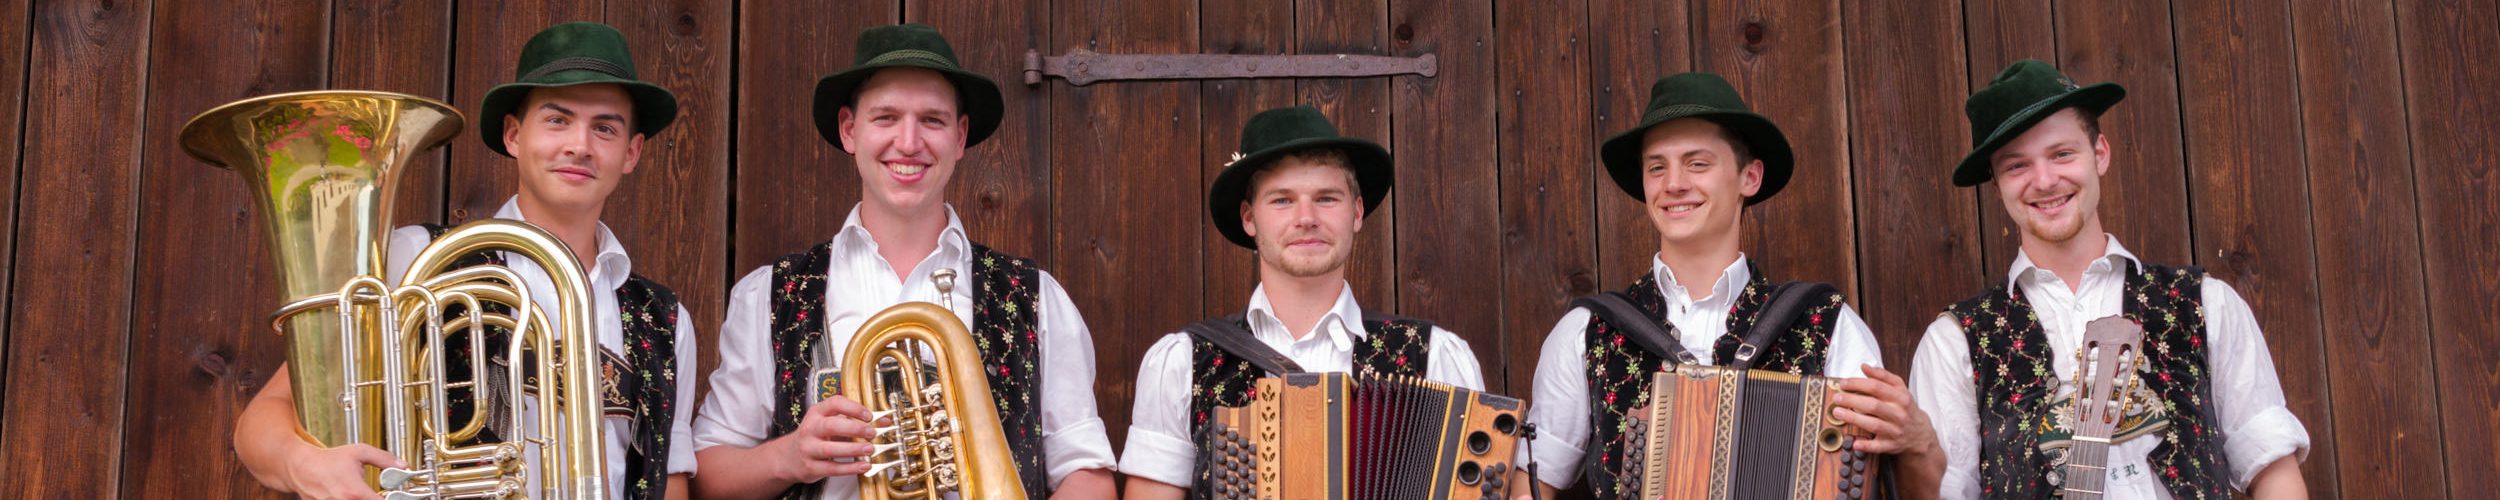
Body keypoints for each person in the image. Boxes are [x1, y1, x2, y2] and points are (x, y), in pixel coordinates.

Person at [234, 21, 700, 500]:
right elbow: (265, 417)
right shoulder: (415, 258)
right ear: (514, 135)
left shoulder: (665, 322)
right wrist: (305, 466)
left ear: (631, 152)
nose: (579, 145)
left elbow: (668, 478)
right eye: (557, 120)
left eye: (604, 128)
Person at [687, 23, 1116, 499]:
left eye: (932, 120)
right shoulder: (772, 295)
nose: (909, 143)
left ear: (959, 136)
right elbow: (705, 475)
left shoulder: (1033, 297)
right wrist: (788, 457)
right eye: (886, 117)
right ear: (849, 130)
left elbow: (1088, 474)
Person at [1514, 72, 1942, 499]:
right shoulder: (1587, 332)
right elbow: (1531, 490)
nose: (1674, 183)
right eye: (1657, 167)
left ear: (1749, 178)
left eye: (1697, 163)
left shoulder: (1826, 325)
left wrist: (1919, 443)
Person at [1908, 59, 2310, 499]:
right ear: (1997, 185)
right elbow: (1943, 491)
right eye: (2016, 166)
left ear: (2100, 153)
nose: (2045, 180)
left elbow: (2273, 470)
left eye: (2062, 154)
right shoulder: (1955, 343)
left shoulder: (2203, 303)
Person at [1119, 105, 1487, 499]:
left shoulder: (1436, 357)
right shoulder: (1182, 364)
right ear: (1249, 218)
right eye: (1282, 200)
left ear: (1356, 212)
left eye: (1327, 198)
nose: (1306, 217)